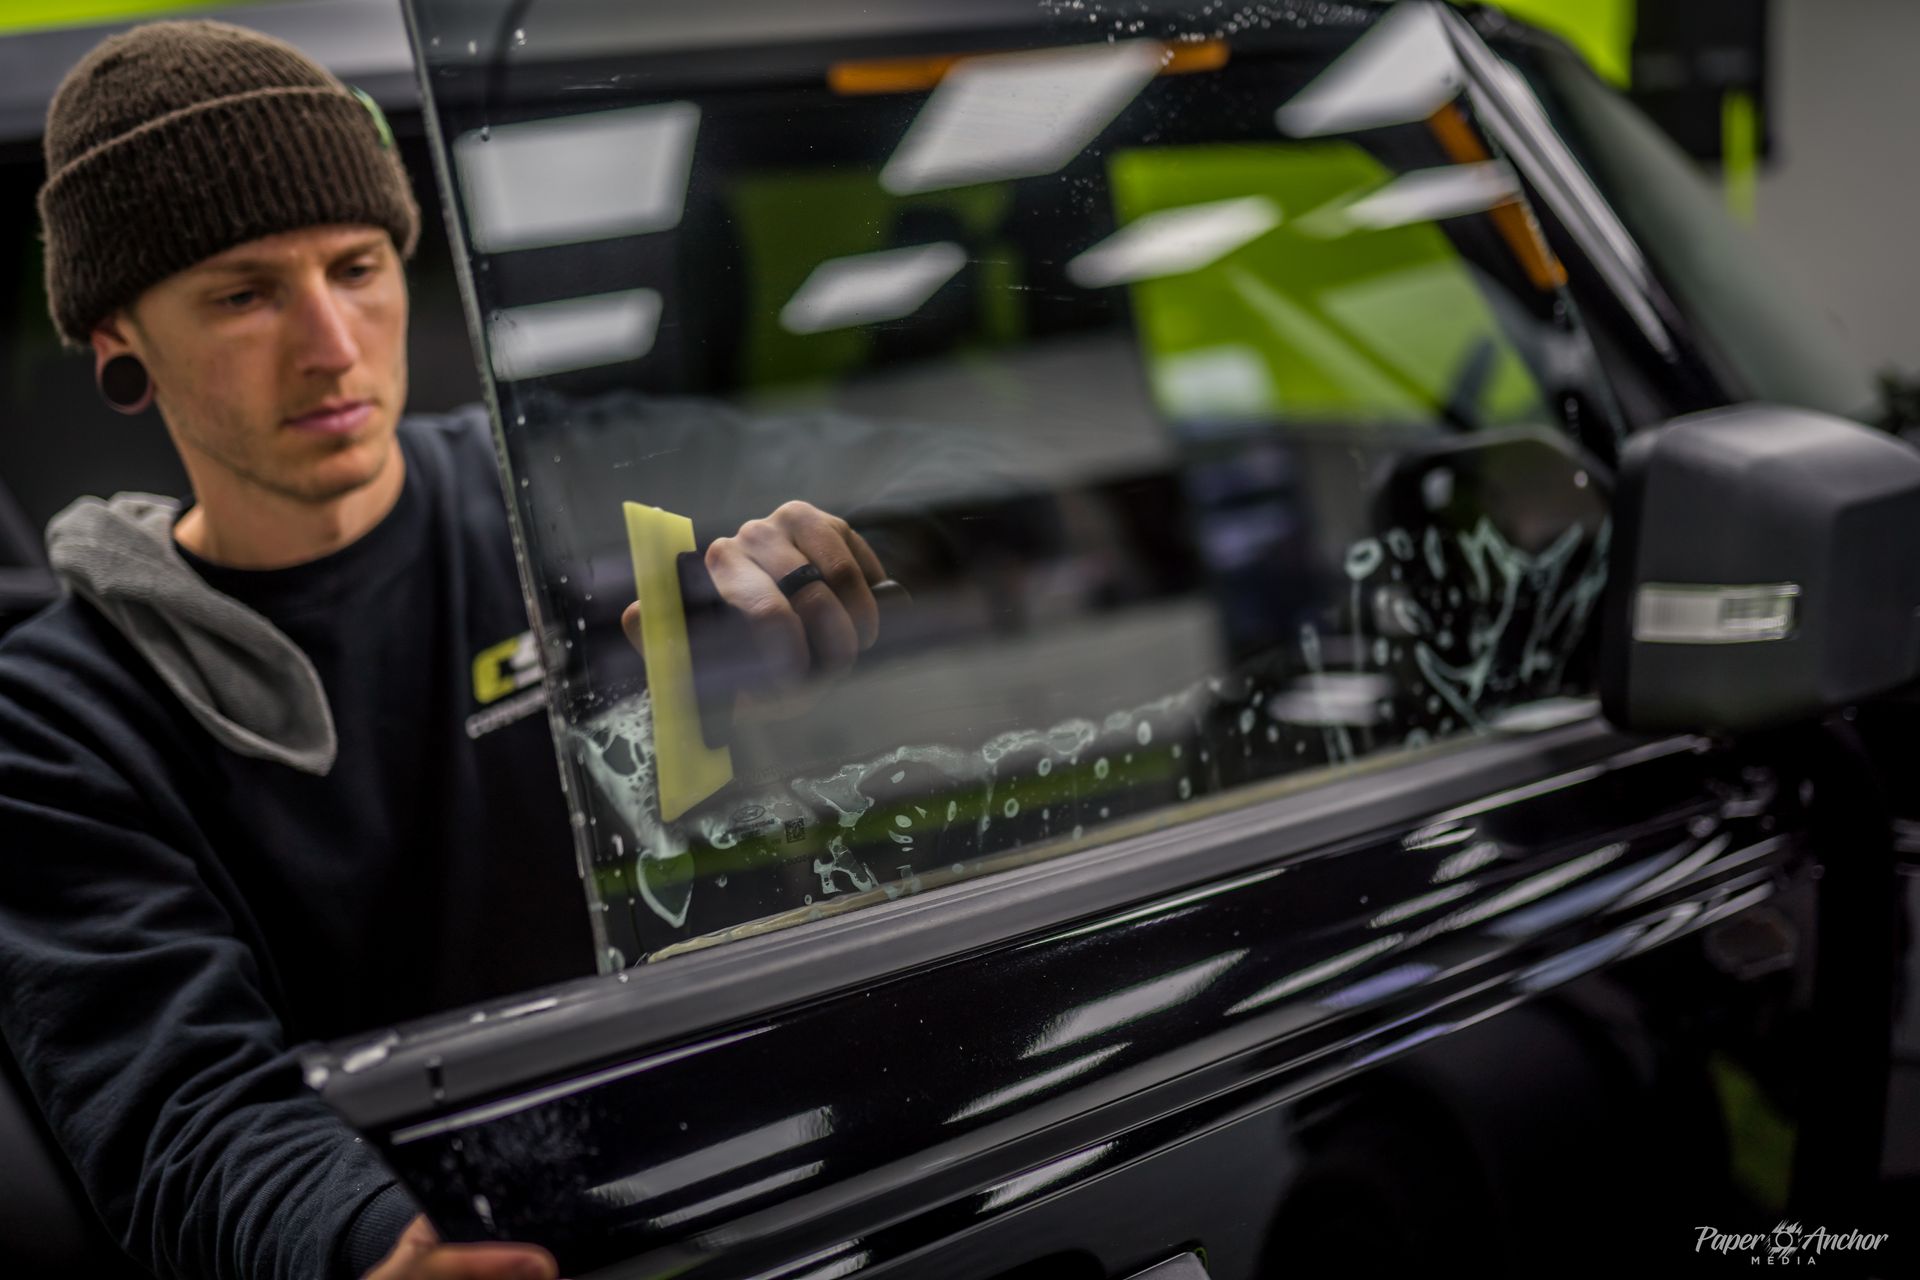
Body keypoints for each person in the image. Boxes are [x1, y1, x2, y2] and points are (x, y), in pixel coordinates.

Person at [0, 19, 887, 1280]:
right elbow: (177, 1102)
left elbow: (878, 479)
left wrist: (824, 584)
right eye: (245, 293)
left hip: (759, 1188)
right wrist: (373, 1247)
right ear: (119, 347)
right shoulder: (56, 718)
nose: (332, 342)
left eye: (357, 266)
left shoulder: (556, 492)